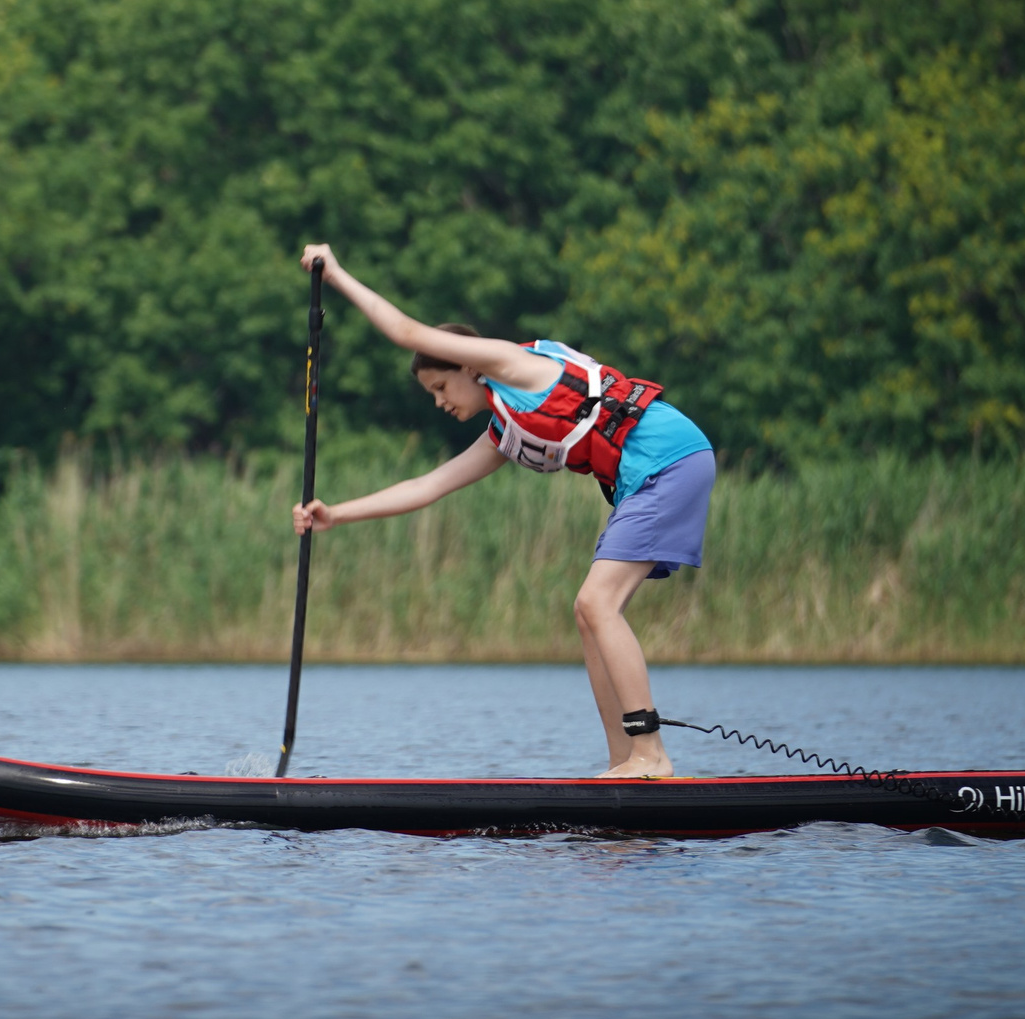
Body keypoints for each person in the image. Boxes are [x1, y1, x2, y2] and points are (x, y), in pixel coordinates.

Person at [289, 244, 717, 778]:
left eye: (442, 386)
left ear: (470, 366)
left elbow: (404, 332)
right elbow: (427, 486)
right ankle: (624, 763)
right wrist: (337, 514)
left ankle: (651, 756)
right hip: (648, 475)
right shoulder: (505, 429)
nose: (440, 402)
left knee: (597, 602)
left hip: (668, 460)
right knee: (590, 616)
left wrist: (337, 275)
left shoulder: (516, 366)